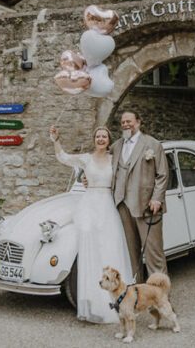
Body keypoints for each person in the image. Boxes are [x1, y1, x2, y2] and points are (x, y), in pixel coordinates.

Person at [49, 124, 134, 324]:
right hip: (89, 206)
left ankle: (116, 302)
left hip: (107, 205)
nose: (101, 139)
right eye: (98, 136)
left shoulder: (115, 160)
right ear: (94, 139)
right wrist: (56, 140)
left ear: (109, 140)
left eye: (104, 136)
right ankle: (91, 301)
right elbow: (63, 157)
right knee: (90, 251)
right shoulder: (86, 159)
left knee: (109, 249)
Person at [111, 110, 167, 282]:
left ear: (138, 122)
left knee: (153, 253)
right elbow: (102, 164)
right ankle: (137, 293)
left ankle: (161, 297)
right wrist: (86, 178)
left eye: (129, 121)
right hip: (122, 205)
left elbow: (162, 174)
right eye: (123, 122)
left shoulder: (152, 144)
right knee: (130, 253)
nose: (126, 125)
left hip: (146, 205)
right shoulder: (116, 146)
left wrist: (157, 198)